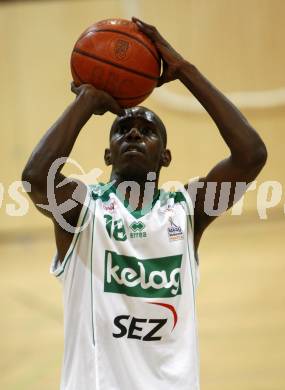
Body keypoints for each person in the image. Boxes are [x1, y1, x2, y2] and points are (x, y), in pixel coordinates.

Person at [22, 17, 267, 390]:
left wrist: (186, 71)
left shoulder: (187, 209)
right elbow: (36, 178)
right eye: (123, 129)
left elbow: (251, 155)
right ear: (108, 154)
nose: (134, 132)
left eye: (148, 131)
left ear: (165, 157)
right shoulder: (82, 211)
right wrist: (86, 102)